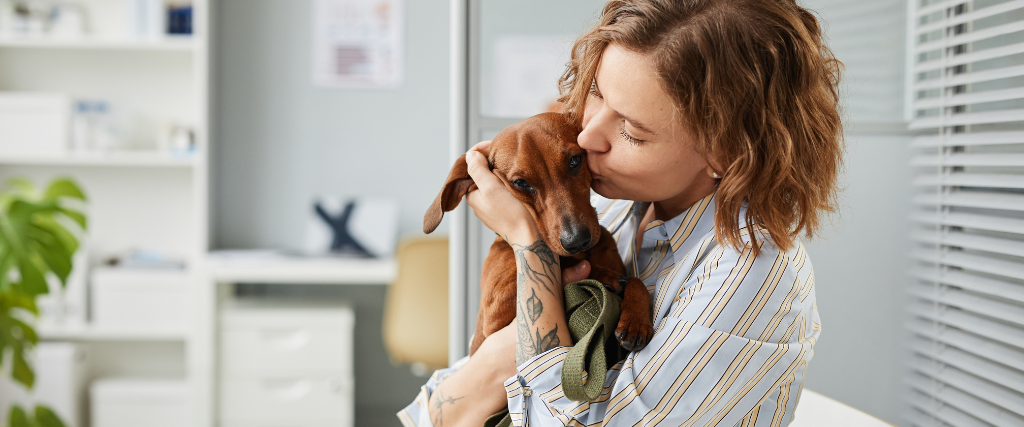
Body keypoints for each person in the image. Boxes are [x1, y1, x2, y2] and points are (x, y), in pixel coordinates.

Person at [400, 0, 842, 425]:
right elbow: (433, 408)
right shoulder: (612, 216)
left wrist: (529, 246)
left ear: (724, 152)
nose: (587, 135)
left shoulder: (748, 269)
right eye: (595, 92)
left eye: (630, 129)